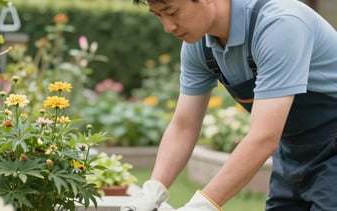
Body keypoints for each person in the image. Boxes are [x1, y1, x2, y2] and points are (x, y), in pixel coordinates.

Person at [121, 0, 337, 210]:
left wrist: (202, 205)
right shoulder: (200, 46)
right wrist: (153, 191)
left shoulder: (279, 25)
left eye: (172, 11)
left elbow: (263, 137)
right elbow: (184, 127)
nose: (168, 27)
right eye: (159, 15)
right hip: (294, 151)